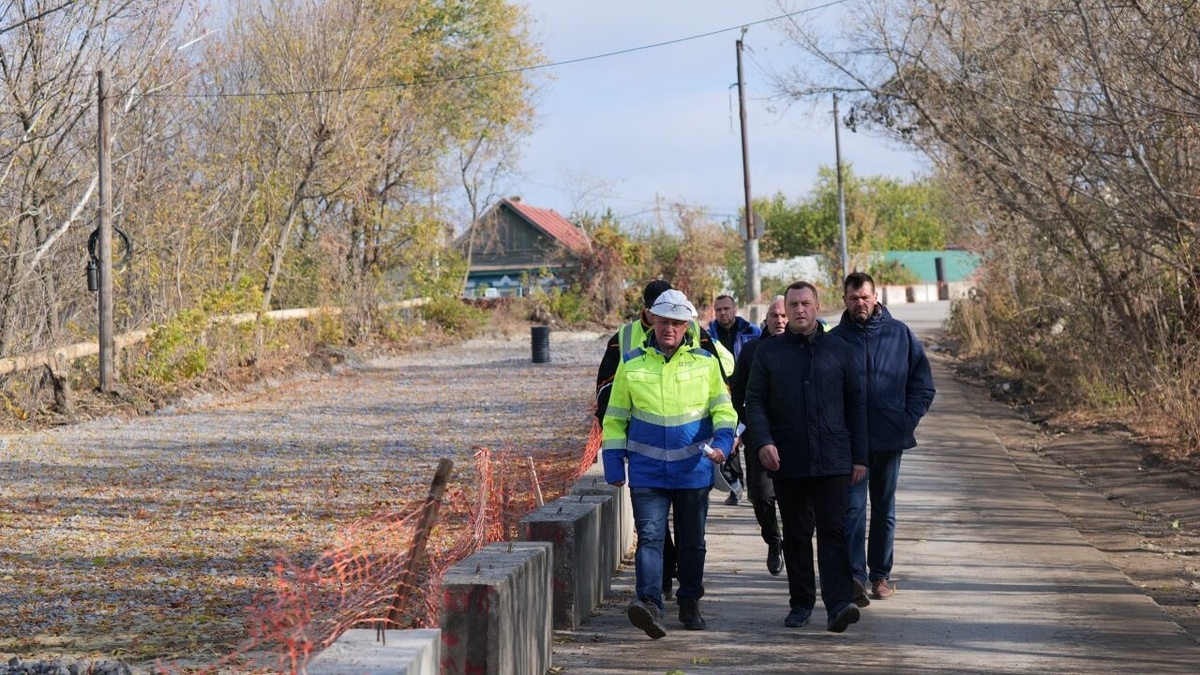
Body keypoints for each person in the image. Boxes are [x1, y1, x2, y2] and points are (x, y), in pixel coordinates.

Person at [602, 288, 738, 639]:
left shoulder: (706, 364)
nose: (669, 329)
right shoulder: (631, 365)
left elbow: (724, 411)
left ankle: (690, 602)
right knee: (650, 538)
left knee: (692, 542)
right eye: (664, 322)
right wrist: (614, 465)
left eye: (677, 323)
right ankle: (649, 604)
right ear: (652, 321)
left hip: (693, 471)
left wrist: (724, 443)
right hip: (647, 472)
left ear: (687, 326)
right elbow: (615, 419)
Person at [744, 281, 868, 633]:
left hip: (833, 458)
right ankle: (800, 604)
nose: (800, 310)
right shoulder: (769, 353)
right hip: (788, 459)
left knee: (834, 531)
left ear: (817, 306)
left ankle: (839, 604)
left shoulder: (840, 349)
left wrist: (859, 457)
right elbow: (754, 402)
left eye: (806, 304)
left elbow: (857, 405)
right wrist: (763, 442)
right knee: (797, 535)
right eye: (794, 304)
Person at [833, 272, 936, 601]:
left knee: (884, 509)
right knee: (852, 509)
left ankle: (880, 576)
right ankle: (855, 577)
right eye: (853, 298)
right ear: (845, 301)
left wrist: (906, 421)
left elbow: (923, 384)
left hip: (889, 441)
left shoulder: (899, 334)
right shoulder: (834, 340)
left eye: (865, 296)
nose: (859, 303)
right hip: (850, 444)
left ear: (876, 297)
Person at [729, 295, 788, 576]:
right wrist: (747, 426)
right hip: (760, 438)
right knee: (763, 496)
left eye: (784, 315)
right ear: (767, 319)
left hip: (797, 440)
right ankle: (774, 542)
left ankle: (793, 542)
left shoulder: (809, 347)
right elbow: (737, 393)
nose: (780, 321)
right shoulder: (752, 351)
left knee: (801, 501)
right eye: (775, 316)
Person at [707, 295, 760, 505]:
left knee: (747, 440)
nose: (723, 313)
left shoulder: (751, 331)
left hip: (748, 393)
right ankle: (735, 485)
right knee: (728, 441)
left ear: (735, 309)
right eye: (718, 309)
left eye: (726, 308)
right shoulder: (708, 335)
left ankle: (753, 485)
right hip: (722, 395)